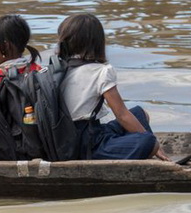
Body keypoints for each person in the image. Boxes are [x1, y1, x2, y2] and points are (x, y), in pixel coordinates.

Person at [56, 13, 169, 160]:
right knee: (149, 142)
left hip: (66, 140)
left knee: (140, 114)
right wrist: (155, 146)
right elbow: (121, 115)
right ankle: (148, 153)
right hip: (89, 145)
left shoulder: (56, 70)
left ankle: (142, 149)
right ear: (97, 42)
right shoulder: (101, 71)